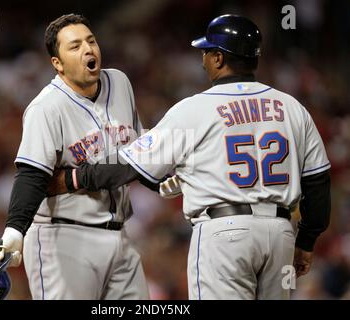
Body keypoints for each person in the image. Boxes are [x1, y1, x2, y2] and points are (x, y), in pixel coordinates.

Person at [48, 14, 331, 299]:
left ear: (219, 58)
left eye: (206, 52)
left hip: (224, 233)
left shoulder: (195, 109)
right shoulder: (292, 107)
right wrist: (306, 242)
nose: (202, 59)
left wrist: (72, 179)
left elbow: (127, 166)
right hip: (280, 235)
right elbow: (318, 183)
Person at [0, 13, 160, 299]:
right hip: (65, 240)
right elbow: (32, 175)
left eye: (91, 41)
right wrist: (14, 230)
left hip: (120, 234)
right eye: (74, 46)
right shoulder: (45, 108)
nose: (88, 49)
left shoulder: (119, 83)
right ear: (57, 64)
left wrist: (161, 179)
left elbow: (137, 149)